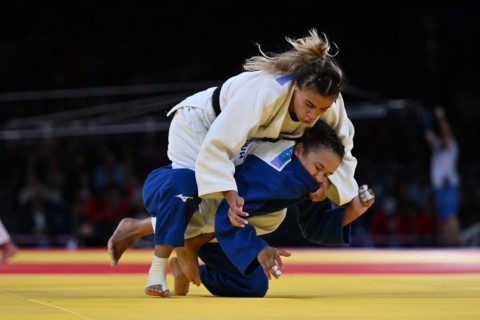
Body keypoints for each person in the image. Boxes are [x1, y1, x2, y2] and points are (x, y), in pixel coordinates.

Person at [108, 120, 374, 297]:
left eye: (327, 174)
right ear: (299, 149)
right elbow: (227, 215)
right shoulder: (275, 171)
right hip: (175, 186)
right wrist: (259, 249)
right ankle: (155, 234)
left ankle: (189, 256)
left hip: (220, 214)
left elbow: (313, 227)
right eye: (318, 169)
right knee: (224, 207)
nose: (320, 179)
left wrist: (353, 210)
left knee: (254, 284)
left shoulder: (302, 175)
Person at [166, 28, 358, 232]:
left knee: (270, 217)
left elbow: (342, 147)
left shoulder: (329, 102)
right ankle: (159, 244)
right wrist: (230, 193)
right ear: (295, 86)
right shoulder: (268, 90)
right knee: (194, 197)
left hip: (247, 141)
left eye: (322, 109)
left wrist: (328, 181)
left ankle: (193, 250)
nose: (313, 115)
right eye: (309, 104)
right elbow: (221, 141)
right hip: (199, 124)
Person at [424, 106, 461, 246]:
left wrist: (441, 118)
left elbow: (446, 132)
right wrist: (427, 127)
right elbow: (429, 136)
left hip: (449, 185)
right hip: (439, 187)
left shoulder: (451, 146)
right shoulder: (438, 146)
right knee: (444, 217)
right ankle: (449, 243)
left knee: (451, 216)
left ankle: (457, 242)